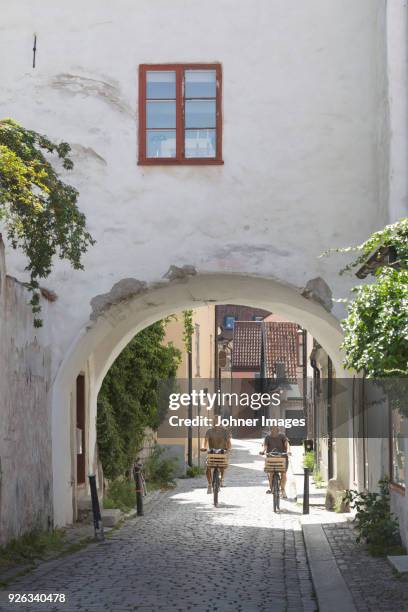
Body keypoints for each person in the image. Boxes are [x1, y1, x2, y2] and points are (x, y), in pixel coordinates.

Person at [201, 422, 231, 494]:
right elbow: (205, 440)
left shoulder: (225, 432)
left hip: (222, 452)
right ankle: (209, 485)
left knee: (222, 466)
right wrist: (203, 447)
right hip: (212, 452)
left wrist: (228, 448)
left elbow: (229, 442)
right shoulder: (209, 431)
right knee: (208, 466)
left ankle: (221, 480)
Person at [262, 425, 290, 498]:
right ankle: (271, 488)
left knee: (283, 473)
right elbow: (265, 446)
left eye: (275, 428)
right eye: (272, 429)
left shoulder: (282, 436)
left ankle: (283, 490)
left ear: (278, 429)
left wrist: (288, 451)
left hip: (282, 457)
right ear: (270, 430)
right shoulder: (267, 437)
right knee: (270, 473)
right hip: (271, 457)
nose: (274, 430)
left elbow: (287, 444)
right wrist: (263, 451)